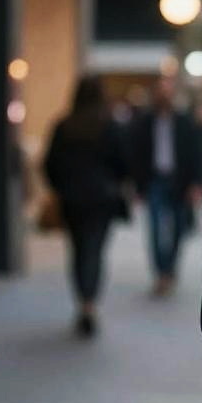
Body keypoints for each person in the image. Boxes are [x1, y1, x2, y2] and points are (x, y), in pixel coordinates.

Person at [44, 75, 130, 338]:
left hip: (72, 199)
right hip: (101, 198)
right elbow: (122, 163)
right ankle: (89, 302)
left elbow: (50, 164)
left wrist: (61, 187)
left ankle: (83, 300)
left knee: (78, 250)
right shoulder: (109, 126)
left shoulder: (64, 126)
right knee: (94, 250)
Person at [129, 75, 202, 297]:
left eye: (168, 92)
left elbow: (195, 153)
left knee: (179, 228)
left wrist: (197, 183)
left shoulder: (184, 122)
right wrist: (138, 186)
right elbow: (136, 155)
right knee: (155, 228)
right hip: (155, 181)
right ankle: (161, 273)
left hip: (179, 182)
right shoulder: (145, 122)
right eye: (161, 92)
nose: (165, 96)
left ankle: (170, 268)